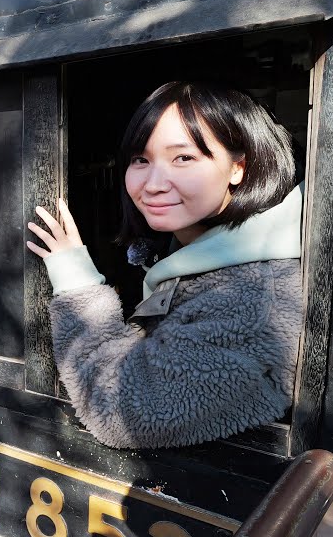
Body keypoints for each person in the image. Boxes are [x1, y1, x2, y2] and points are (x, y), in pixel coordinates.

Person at [26, 81, 303, 448]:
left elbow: (124, 414)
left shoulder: (253, 301)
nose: (153, 184)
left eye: (183, 158)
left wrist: (77, 287)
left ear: (238, 167)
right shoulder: (192, 248)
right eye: (140, 159)